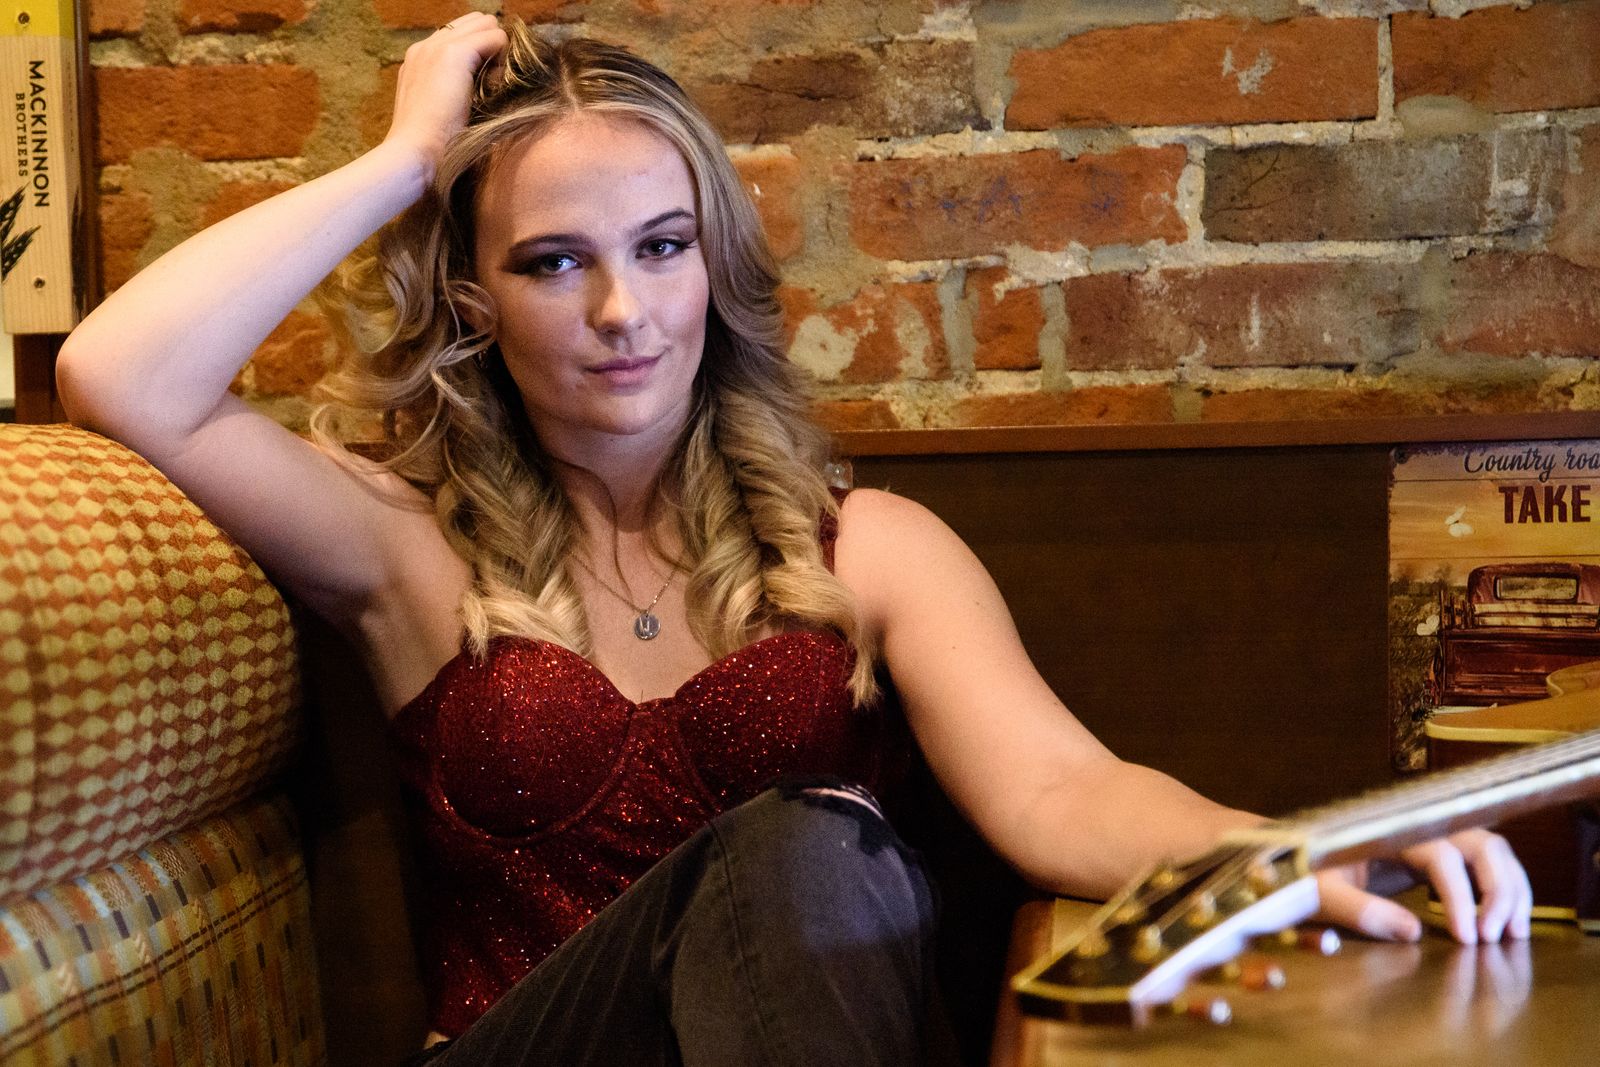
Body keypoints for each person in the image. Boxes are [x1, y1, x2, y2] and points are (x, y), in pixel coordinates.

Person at [56, 13, 1532, 1065]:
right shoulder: (408, 550)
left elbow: (1060, 790)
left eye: (661, 246)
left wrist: (1284, 858)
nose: (623, 312)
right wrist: (406, 161)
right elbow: (120, 375)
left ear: (714, 263)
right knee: (791, 840)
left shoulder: (867, 549)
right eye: (554, 263)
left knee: (801, 850)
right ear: (473, 304)